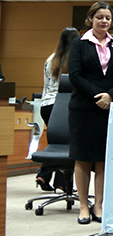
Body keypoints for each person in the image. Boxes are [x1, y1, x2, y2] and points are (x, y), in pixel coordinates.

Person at [69, 2, 113, 224]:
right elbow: (75, 75)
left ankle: (99, 204)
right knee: (84, 158)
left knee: (104, 158)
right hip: (84, 108)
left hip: (109, 108)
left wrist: (110, 96)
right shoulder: (79, 44)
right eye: (99, 17)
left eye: (107, 18)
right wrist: (99, 96)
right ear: (90, 19)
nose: (104, 21)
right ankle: (83, 206)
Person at [36, 27, 80, 192]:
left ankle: (45, 175)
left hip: (47, 105)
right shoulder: (76, 58)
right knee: (68, 144)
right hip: (64, 106)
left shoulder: (51, 59)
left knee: (56, 143)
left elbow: (46, 84)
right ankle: (62, 182)